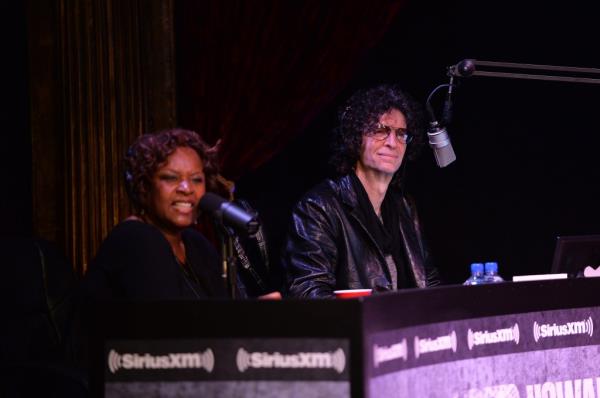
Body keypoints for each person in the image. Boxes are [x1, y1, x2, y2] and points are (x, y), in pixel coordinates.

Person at [284, 84, 441, 298]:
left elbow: (430, 281)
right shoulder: (318, 207)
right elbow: (309, 292)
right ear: (356, 138)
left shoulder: (404, 205)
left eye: (401, 134)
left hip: (404, 328)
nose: (392, 143)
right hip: (354, 329)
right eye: (380, 131)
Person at [82, 128, 228, 300]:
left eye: (196, 179)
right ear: (144, 187)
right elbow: (169, 322)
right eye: (171, 178)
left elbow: (224, 314)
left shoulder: (196, 244)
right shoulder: (135, 239)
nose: (187, 189)